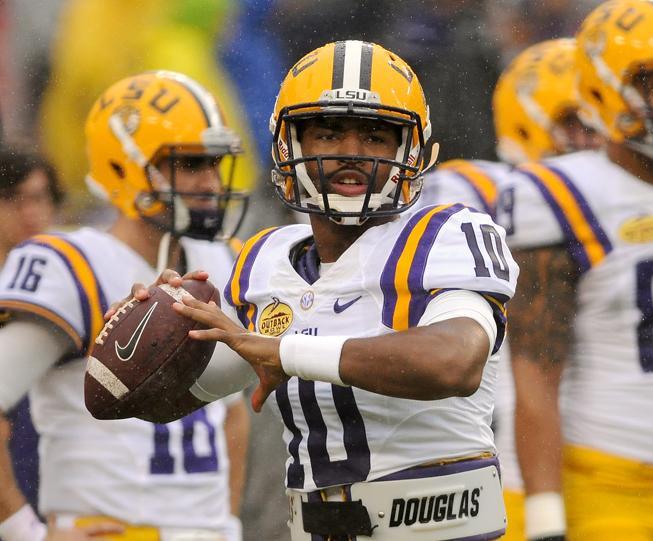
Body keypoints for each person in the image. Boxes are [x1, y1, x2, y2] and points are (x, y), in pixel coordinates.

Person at [118, 41, 519, 541]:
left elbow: (454, 363)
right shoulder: (264, 260)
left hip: (439, 530)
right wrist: (149, 336)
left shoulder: (446, 233)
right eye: (328, 133)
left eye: (375, 136)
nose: (351, 154)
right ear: (291, 147)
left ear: (411, 150)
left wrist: (287, 352)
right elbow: (161, 402)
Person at [0, 71, 249, 541]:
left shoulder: (224, 259)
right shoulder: (71, 264)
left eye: (215, 164)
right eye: (192, 164)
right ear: (124, 167)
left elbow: (231, 415)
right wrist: (22, 531)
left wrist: (228, 520)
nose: (212, 184)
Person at [495, 1, 653, 539]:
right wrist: (546, 517)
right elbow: (536, 370)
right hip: (615, 482)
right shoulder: (561, 194)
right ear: (605, 88)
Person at [417, 37, 600, 541]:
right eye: (578, 123)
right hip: (495, 466)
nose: (595, 140)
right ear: (527, 120)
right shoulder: (468, 193)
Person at [0, 145, 64, 514]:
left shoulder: (78, 278)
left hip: (52, 458)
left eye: (38, 198)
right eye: (13, 199)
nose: (30, 212)